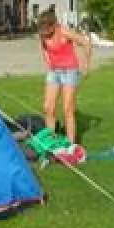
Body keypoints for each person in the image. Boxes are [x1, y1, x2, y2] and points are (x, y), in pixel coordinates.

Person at [37, 9, 92, 147]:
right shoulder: (43, 34)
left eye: (46, 30)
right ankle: (51, 142)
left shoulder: (64, 32)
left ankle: (70, 146)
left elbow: (85, 43)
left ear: (54, 25)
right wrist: (48, 61)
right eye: (42, 31)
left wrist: (86, 65)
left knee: (67, 109)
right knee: (47, 108)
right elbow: (44, 48)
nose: (44, 34)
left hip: (69, 72)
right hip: (54, 72)